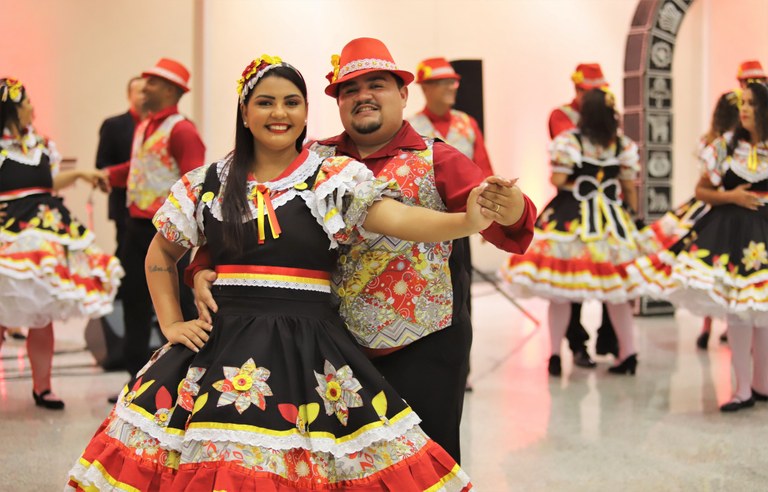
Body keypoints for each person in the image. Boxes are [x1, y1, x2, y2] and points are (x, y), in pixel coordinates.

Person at [67, 55, 481, 490]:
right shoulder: (208, 183)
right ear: (245, 112)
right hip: (218, 349)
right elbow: (159, 255)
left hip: (310, 350)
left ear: (306, 112)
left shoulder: (330, 177)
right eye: (265, 103)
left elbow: (396, 219)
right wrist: (171, 322)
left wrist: (465, 222)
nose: (279, 113)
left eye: (291, 102)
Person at [190, 37, 536, 464]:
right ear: (337, 103)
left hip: (424, 344)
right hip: (330, 347)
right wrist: (204, 266)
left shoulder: (437, 158)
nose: (363, 96)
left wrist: (514, 207)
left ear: (403, 94)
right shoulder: (313, 160)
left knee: (425, 462)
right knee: (342, 465)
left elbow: (500, 218)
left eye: (377, 85)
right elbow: (252, 214)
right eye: (350, 90)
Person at [628, 82, 768, 412]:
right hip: (731, 233)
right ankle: (742, 389)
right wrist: (732, 196)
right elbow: (702, 190)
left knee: (762, 313)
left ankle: (762, 385)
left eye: (751, 104)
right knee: (737, 310)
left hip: (763, 231)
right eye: (742, 103)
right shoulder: (724, 147)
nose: (744, 109)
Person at [502, 88, 653, 377]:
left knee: (560, 293)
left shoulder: (571, 141)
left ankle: (555, 356)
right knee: (617, 292)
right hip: (611, 220)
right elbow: (628, 185)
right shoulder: (621, 144)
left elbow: (558, 179)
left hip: (572, 217)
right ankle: (628, 354)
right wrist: (632, 216)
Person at [0, 77, 122, 410]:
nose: (32, 109)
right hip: (10, 233)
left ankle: (43, 386)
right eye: (27, 104)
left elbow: (48, 181)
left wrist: (81, 174)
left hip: (48, 232)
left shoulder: (40, 144)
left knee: (42, 313)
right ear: (12, 108)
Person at [104, 58, 205, 388]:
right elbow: (141, 168)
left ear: (171, 90)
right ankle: (135, 378)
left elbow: (195, 183)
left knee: (179, 303)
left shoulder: (183, 130)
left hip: (167, 234)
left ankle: (189, 375)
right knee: (133, 298)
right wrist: (107, 176)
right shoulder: (145, 126)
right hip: (135, 228)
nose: (143, 87)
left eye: (152, 82)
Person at [409, 56, 495, 391]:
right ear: (425, 87)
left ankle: (463, 368)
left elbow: (484, 167)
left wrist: (492, 219)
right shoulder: (412, 125)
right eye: (443, 82)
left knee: (462, 292)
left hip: (463, 223)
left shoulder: (466, 124)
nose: (451, 88)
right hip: (423, 225)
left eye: (453, 81)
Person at [548, 63, 618, 365]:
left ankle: (609, 337)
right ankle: (576, 342)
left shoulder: (606, 116)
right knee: (571, 277)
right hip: (575, 204)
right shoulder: (561, 115)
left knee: (611, 273)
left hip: (606, 206)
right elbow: (585, 153)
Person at [689, 90, 740, 349]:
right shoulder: (722, 146)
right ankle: (725, 326)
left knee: (714, 271)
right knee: (725, 273)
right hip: (722, 209)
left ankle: (709, 326)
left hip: (715, 211)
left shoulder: (710, 141)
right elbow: (705, 184)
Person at [95, 76, 146, 265]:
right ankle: (124, 293)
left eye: (147, 91)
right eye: (140, 91)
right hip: (123, 202)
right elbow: (102, 165)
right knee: (127, 253)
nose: (145, 96)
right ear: (129, 95)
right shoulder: (113, 125)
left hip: (155, 205)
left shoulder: (161, 127)